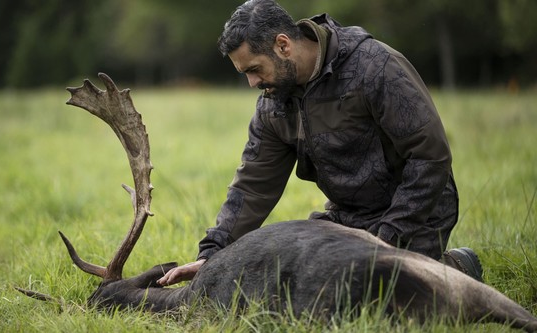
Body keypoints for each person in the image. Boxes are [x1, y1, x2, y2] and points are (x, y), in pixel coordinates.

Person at [157, 0, 482, 286]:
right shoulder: (272, 104)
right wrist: (212, 256)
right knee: (297, 283)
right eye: (245, 74)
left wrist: (387, 238)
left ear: (283, 45)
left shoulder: (374, 66)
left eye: (254, 69)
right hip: (347, 218)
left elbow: (430, 156)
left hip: (419, 212)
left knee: (373, 296)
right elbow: (252, 186)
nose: (252, 82)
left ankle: (455, 268)